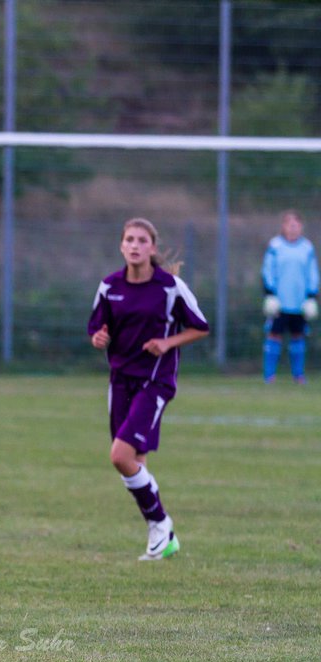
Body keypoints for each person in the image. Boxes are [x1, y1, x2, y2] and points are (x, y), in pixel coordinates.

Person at [88, 217, 208, 562]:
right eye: (130, 239)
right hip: (120, 380)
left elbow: (200, 326)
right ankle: (162, 538)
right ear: (121, 246)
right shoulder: (109, 287)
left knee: (119, 456)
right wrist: (99, 338)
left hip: (155, 382)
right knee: (134, 461)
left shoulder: (169, 286)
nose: (135, 245)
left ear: (152, 248)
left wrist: (168, 342)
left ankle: (160, 523)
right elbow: (98, 328)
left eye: (142, 240)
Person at [260, 210, 319, 384]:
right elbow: (267, 270)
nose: (293, 228)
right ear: (284, 226)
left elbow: (312, 273)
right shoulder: (275, 246)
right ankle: (269, 375)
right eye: (289, 225)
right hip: (279, 301)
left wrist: (311, 296)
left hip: (299, 302)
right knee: (274, 335)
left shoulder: (307, 247)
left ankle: (298, 375)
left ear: (301, 227)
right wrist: (270, 294)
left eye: (296, 225)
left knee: (298, 336)